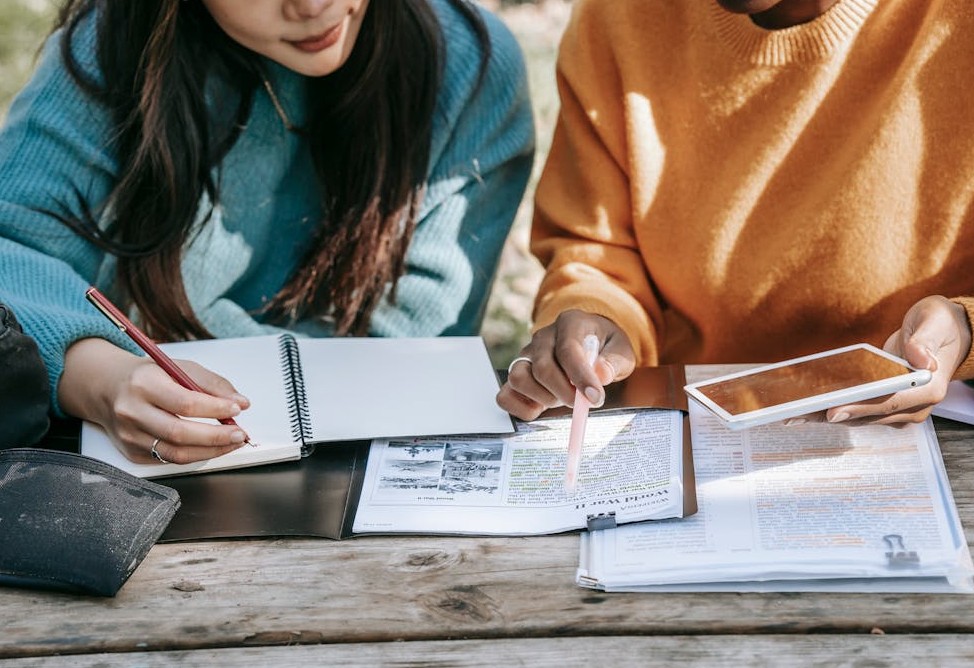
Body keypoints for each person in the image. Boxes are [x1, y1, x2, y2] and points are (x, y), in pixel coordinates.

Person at [0, 0, 534, 464]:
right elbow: (11, 249)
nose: (312, 7)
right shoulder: (119, 44)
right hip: (138, 473)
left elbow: (416, 343)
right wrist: (96, 377)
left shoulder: (469, 63)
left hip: (366, 467)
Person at [498, 0, 974, 426]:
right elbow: (598, 252)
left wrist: (966, 328)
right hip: (691, 422)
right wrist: (596, 323)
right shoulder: (618, 19)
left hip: (931, 433)